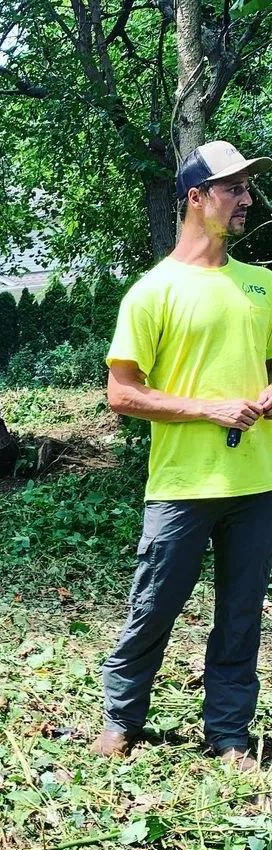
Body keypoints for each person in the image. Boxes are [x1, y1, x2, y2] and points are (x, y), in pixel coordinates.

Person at [94, 141, 272, 770]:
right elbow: (122, 393)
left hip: (256, 483)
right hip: (182, 485)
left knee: (241, 617)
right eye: (233, 188)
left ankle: (228, 733)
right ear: (196, 197)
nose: (247, 199)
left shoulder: (262, 285)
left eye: (248, 188)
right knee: (154, 608)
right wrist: (211, 408)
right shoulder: (153, 291)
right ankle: (121, 719)